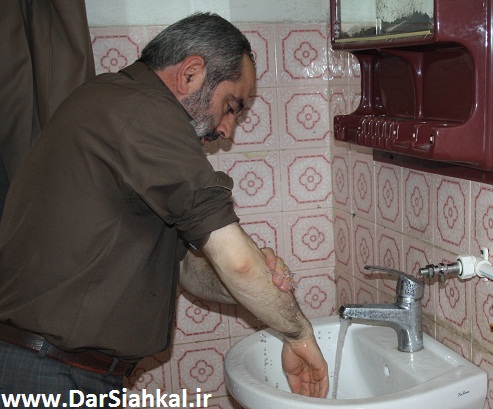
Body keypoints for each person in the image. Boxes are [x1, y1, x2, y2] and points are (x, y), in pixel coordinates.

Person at [0, 12, 329, 402]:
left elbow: (189, 271)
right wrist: (299, 333)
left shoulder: (115, 104)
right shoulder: (144, 113)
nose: (226, 130)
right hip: (47, 372)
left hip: (55, 369)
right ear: (190, 74)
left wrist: (259, 282)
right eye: (230, 106)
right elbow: (237, 263)